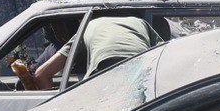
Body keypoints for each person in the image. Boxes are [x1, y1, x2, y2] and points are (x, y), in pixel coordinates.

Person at [19, 15, 158, 90]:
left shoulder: (88, 27)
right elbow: (166, 54)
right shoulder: (141, 23)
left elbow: (41, 74)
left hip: (103, 70)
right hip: (139, 67)